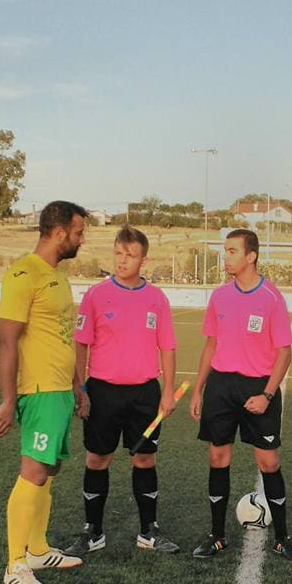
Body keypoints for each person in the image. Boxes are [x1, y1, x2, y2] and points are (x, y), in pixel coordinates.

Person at [0, 201, 88, 584]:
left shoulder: (57, 276)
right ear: (60, 231)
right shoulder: (23, 274)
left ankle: (38, 549)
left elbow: (64, 338)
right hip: (39, 390)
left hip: (61, 390)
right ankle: (14, 564)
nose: (82, 239)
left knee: (49, 471)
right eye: (79, 232)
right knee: (33, 471)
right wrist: (8, 400)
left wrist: (79, 387)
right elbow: (7, 340)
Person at [64, 226, 181, 556]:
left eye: (130, 255)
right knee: (97, 459)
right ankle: (93, 532)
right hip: (102, 392)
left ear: (143, 259)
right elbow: (81, 344)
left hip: (145, 393)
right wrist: (81, 387)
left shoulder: (156, 299)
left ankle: (148, 531)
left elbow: (168, 347)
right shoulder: (96, 296)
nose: (122, 260)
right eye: (118, 253)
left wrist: (168, 391)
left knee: (144, 458)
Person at [189, 229, 292, 561]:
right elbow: (210, 345)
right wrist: (198, 390)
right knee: (217, 458)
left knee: (268, 461)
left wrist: (267, 394)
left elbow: (284, 354)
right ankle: (216, 536)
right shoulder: (220, 296)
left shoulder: (271, 297)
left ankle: (282, 538)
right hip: (221, 386)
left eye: (232, 251)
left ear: (251, 256)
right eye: (225, 251)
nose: (226, 257)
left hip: (258, 387)